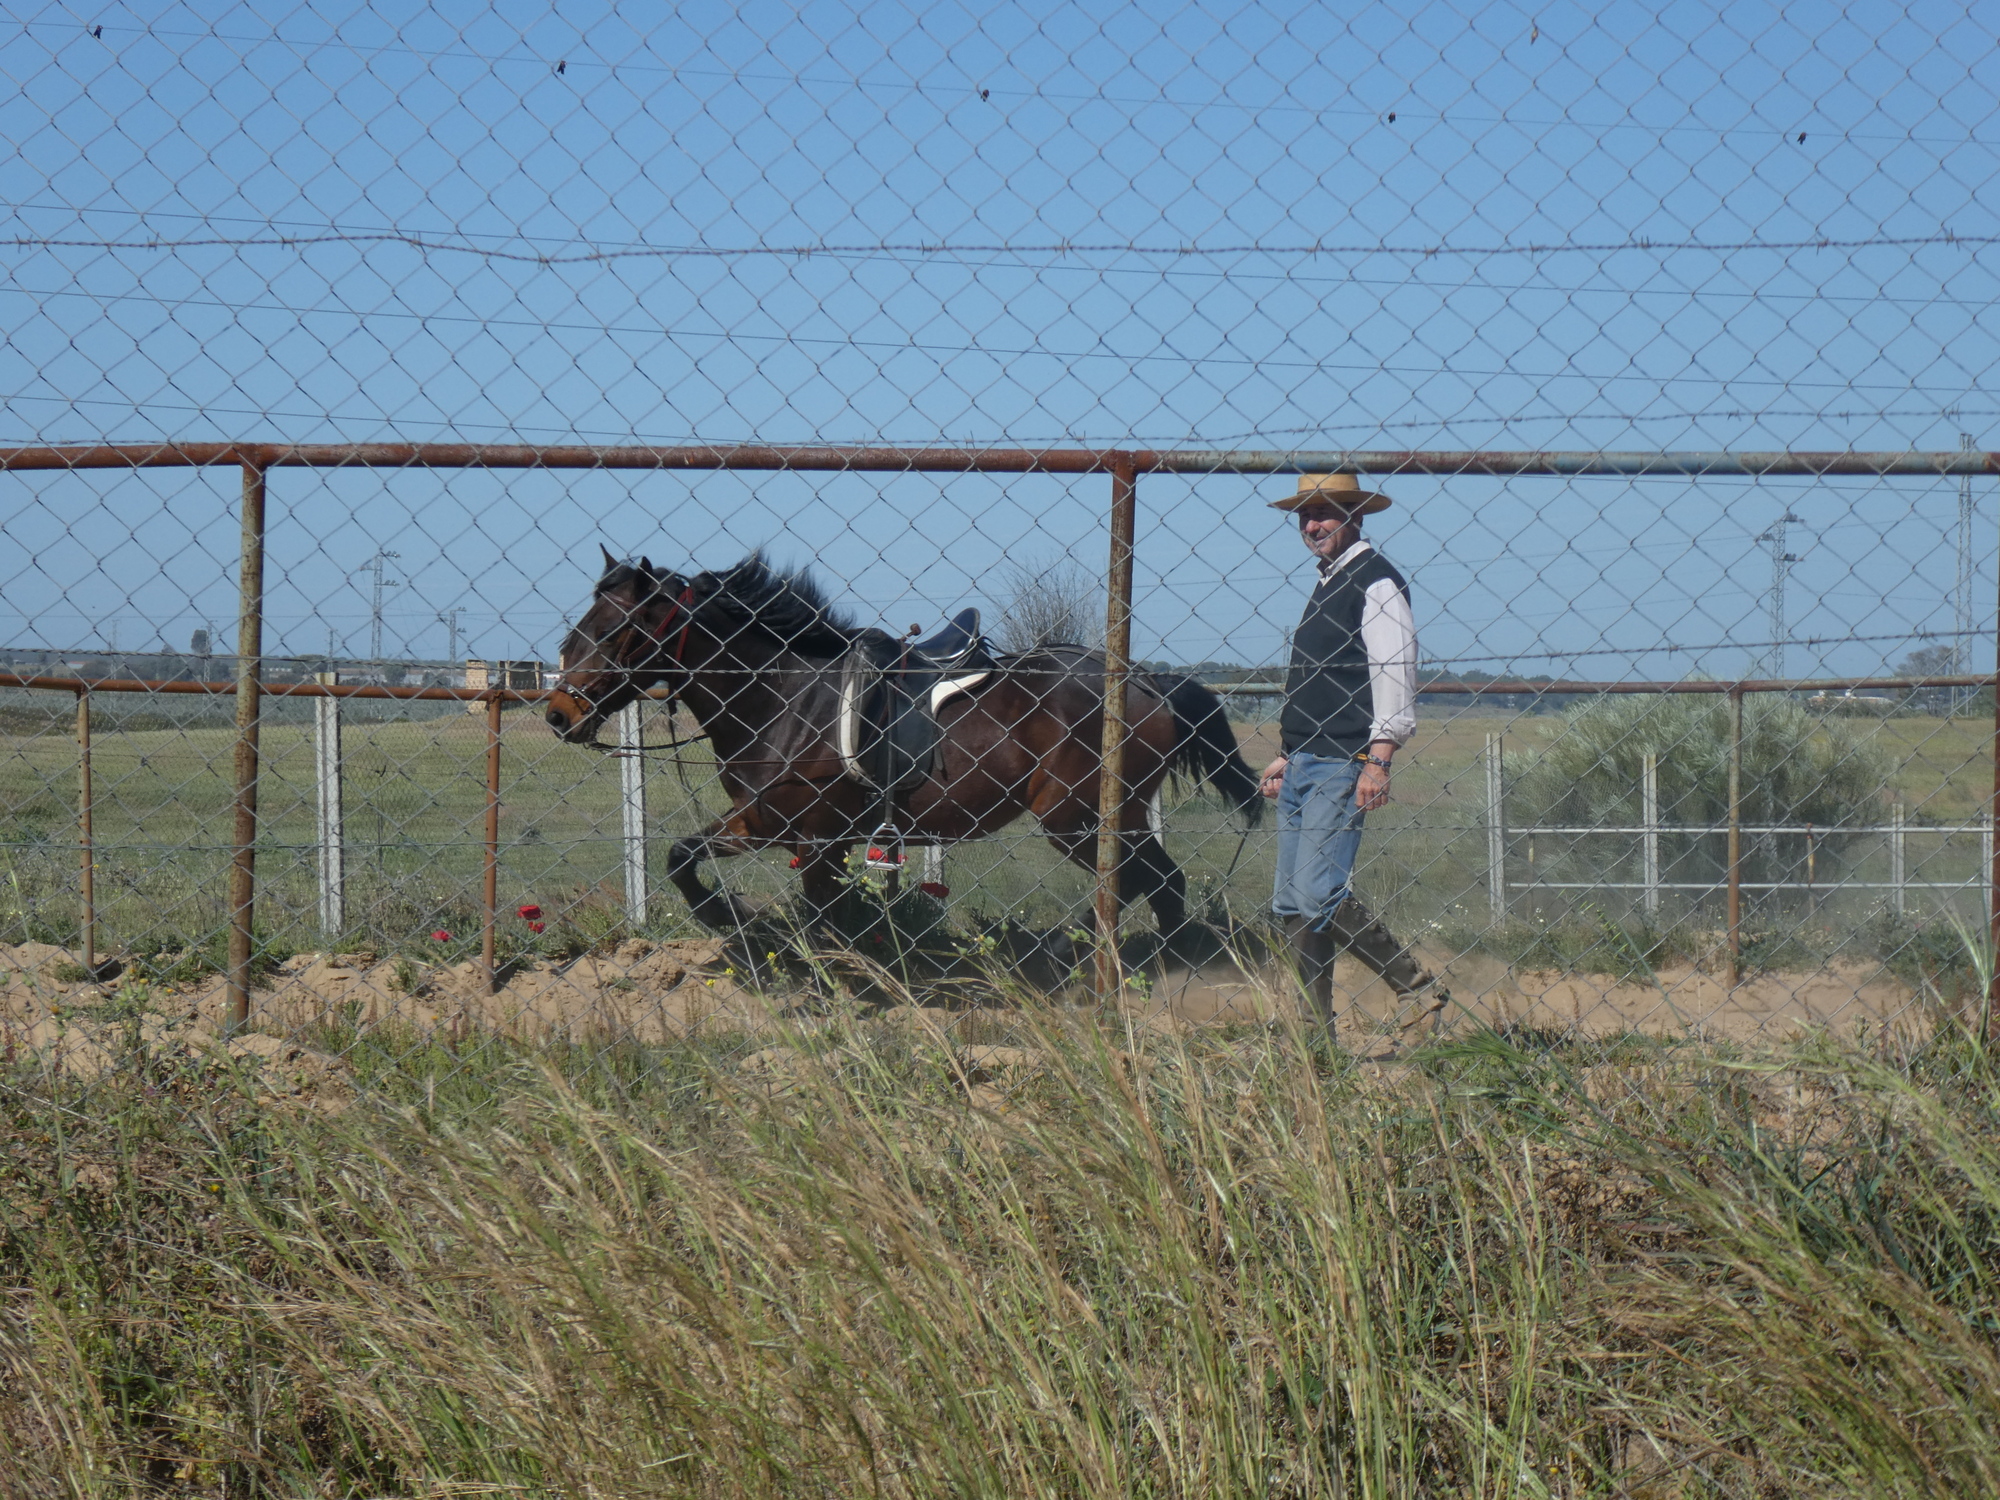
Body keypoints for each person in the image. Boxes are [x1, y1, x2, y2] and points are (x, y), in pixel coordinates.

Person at [1259, 473, 1444, 1026]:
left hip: (1344, 761)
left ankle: (1416, 989)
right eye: (1304, 515)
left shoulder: (1375, 581)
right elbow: (1321, 681)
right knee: (1292, 903)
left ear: (1355, 516)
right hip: (1305, 761)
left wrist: (1377, 761)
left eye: (1324, 513)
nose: (1312, 525)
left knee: (1318, 894)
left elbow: (1393, 675)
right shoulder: (1328, 582)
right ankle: (1313, 1036)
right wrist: (1288, 753)